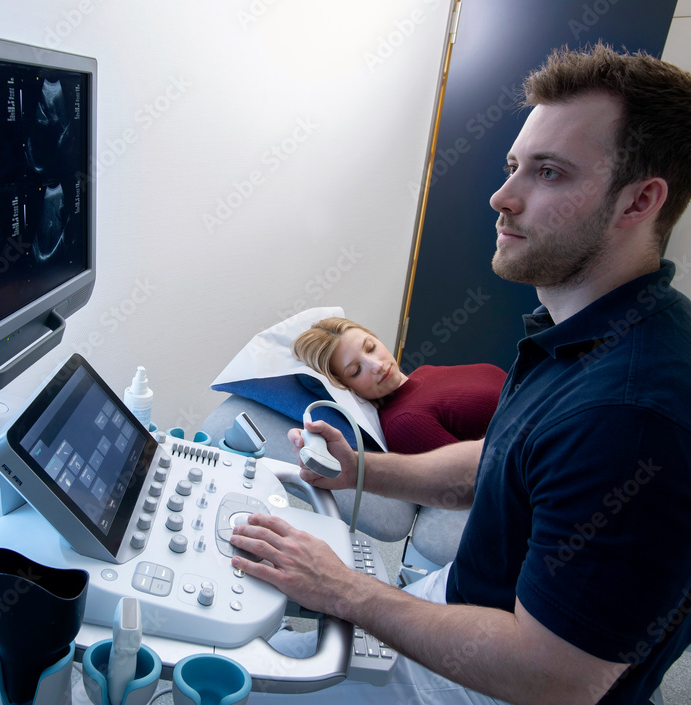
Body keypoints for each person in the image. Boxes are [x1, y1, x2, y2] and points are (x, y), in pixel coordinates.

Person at [231, 43, 691, 705]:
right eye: (512, 167)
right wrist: (362, 469)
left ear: (637, 202)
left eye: (550, 173)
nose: (502, 197)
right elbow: (499, 461)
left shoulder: (632, 415)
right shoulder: (578, 330)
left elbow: (554, 677)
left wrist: (346, 589)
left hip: (496, 682)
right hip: (461, 597)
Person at [293, 318, 507, 453]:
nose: (376, 366)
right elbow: (478, 478)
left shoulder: (425, 372)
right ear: (345, 386)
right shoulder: (404, 424)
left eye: (370, 347)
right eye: (356, 371)